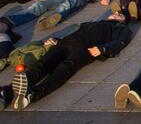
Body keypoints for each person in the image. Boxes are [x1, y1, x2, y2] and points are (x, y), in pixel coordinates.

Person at [0, 12, 132, 110]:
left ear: (124, 21)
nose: (115, 13)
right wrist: (56, 39)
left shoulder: (121, 28)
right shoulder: (92, 23)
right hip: (65, 43)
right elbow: (73, 32)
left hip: (86, 49)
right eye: (115, 12)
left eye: (119, 15)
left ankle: (32, 95)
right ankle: (7, 93)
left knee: (63, 69)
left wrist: (103, 49)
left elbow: (120, 42)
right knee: (42, 64)